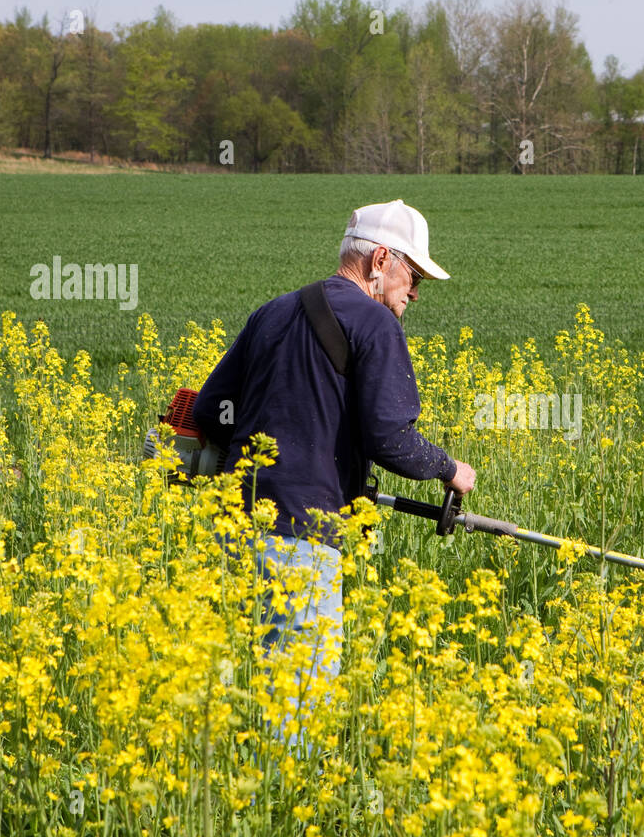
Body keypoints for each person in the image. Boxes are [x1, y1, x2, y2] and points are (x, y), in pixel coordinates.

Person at [191, 199, 476, 746]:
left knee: (241, 688)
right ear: (381, 260)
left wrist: (271, 452)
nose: (414, 293)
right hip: (301, 534)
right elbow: (390, 437)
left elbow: (209, 412)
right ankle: (288, 813)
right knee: (299, 699)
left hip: (232, 528)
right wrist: (449, 470)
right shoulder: (375, 325)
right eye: (412, 276)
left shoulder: (272, 312)